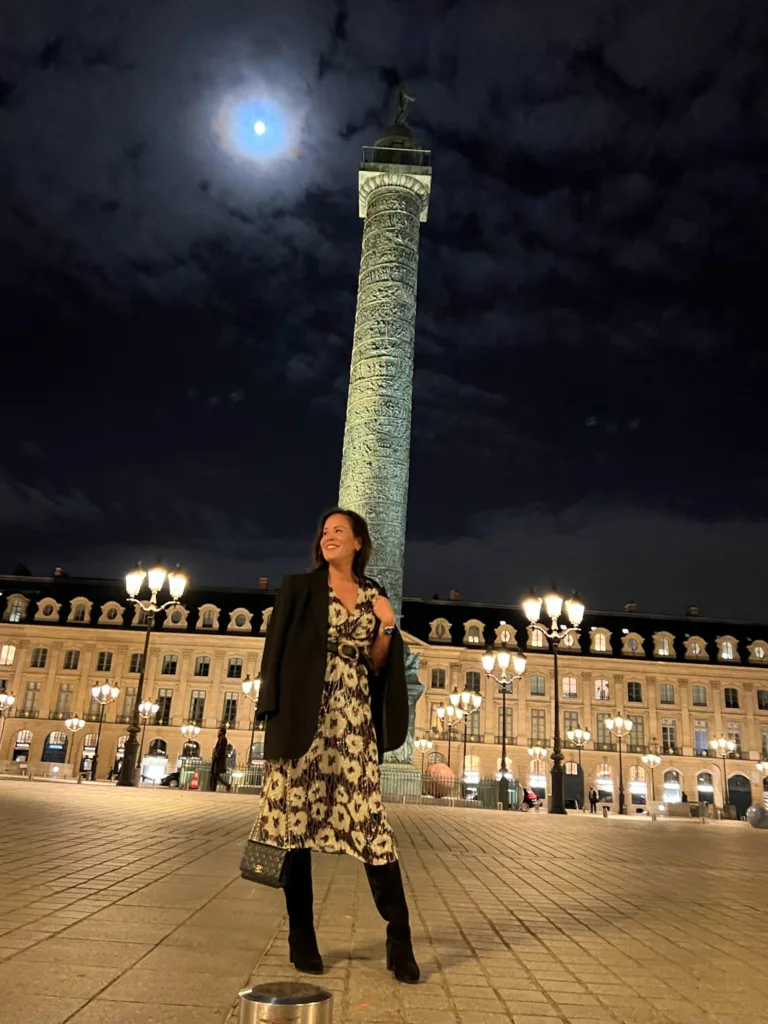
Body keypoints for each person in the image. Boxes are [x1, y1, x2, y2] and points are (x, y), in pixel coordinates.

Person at [252, 508, 418, 984]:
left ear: (359, 543)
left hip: (354, 720)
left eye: (339, 532)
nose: (329, 537)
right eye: (325, 532)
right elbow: (274, 655)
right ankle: (301, 934)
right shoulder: (299, 589)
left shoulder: (374, 596)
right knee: (295, 824)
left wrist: (387, 626)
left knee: (370, 822)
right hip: (304, 718)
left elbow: (379, 664)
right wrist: (271, 718)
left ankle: (398, 934)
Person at [210, 727, 231, 792]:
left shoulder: (223, 738)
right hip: (218, 758)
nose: (217, 732)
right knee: (215, 774)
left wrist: (216, 754)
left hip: (218, 759)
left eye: (219, 731)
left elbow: (221, 748)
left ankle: (227, 785)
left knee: (215, 774)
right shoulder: (221, 738)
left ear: (222, 732)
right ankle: (213, 788)